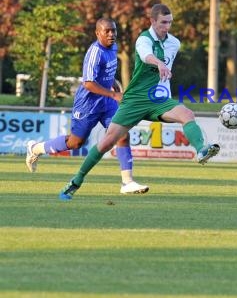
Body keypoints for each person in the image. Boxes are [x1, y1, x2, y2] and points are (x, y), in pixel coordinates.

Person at [58, 4, 220, 200]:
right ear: (152, 21)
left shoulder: (174, 43)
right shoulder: (143, 39)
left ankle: (201, 150)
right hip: (135, 100)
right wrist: (159, 63)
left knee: (187, 114)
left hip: (159, 99)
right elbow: (146, 56)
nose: (166, 27)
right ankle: (76, 180)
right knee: (107, 142)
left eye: (169, 22)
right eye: (163, 23)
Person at [25, 18, 148, 194]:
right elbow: (88, 83)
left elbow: (106, 73)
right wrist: (114, 94)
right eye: (107, 31)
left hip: (106, 102)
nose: (112, 34)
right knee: (76, 143)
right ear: (98, 33)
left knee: (122, 135)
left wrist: (115, 86)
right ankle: (35, 148)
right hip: (87, 105)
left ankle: (127, 182)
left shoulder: (113, 48)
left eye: (114, 30)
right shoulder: (95, 52)